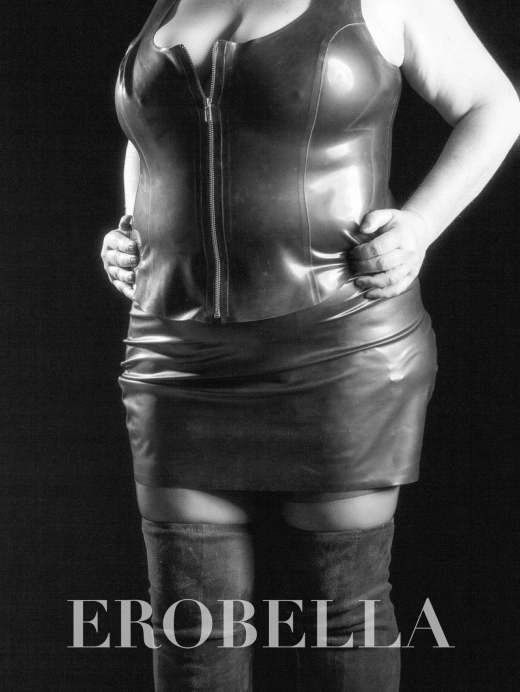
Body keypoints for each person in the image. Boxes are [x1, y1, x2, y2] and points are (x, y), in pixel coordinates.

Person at [100, 0, 520, 690]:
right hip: (175, 350)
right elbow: (153, 134)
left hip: (340, 344)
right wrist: (131, 227)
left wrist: (419, 226)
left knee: (340, 615)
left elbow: (493, 104)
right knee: (192, 632)